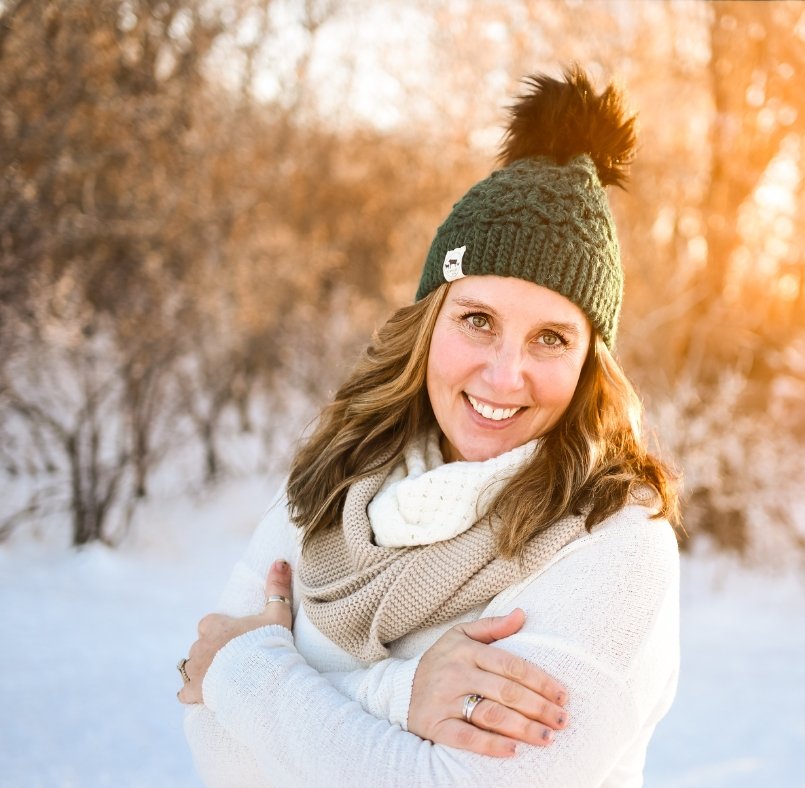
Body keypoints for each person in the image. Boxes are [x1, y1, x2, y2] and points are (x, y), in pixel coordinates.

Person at [178, 65, 680, 787]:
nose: (505, 375)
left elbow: (458, 783)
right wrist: (399, 698)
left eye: (551, 338)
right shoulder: (337, 482)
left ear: (589, 364)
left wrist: (247, 669)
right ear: (429, 324)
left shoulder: (615, 541)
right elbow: (214, 747)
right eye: (479, 320)